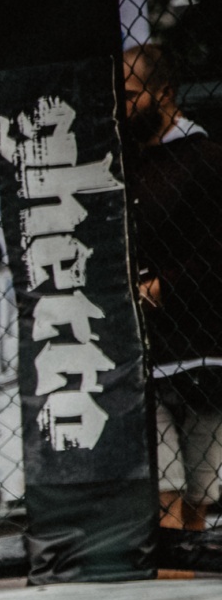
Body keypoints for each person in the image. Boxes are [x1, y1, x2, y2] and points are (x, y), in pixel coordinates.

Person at [123, 41, 222, 542]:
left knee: (201, 499)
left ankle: (187, 576)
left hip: (203, 349)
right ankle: (169, 572)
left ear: (163, 92)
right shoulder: (123, 165)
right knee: (166, 491)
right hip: (143, 356)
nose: (121, 107)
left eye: (129, 94)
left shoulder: (207, 160)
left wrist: (167, 286)